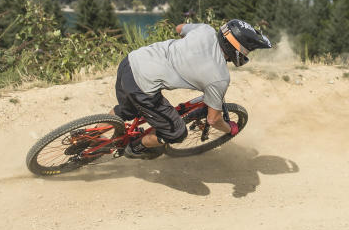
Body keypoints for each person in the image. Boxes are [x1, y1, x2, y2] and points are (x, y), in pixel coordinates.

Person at [114, 19, 272, 159]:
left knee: (126, 111)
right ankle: (135, 148)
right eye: (248, 50)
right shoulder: (219, 77)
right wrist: (229, 128)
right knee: (176, 133)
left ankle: (94, 134)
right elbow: (213, 119)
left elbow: (179, 28)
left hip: (131, 61)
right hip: (141, 85)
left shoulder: (205, 30)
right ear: (239, 50)